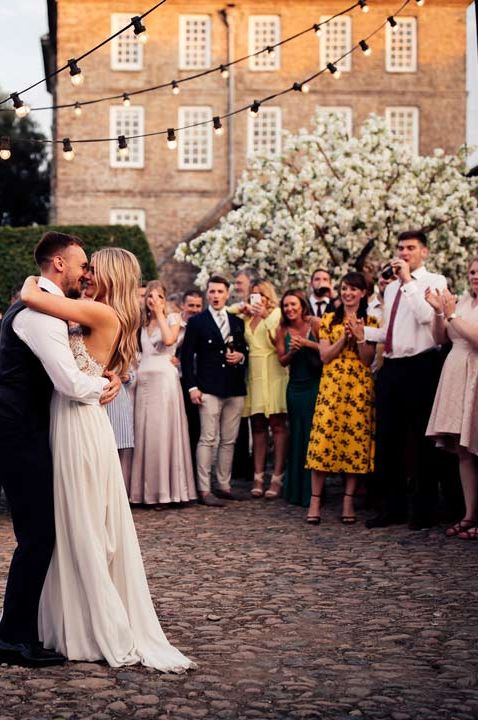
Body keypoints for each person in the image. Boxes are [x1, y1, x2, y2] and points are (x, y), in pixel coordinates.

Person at [19, 249, 195, 672]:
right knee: (76, 519)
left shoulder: (100, 312)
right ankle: (70, 619)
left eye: (94, 268)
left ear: (111, 275)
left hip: (80, 421)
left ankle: (88, 624)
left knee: (81, 519)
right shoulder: (105, 312)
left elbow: (32, 297)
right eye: (87, 266)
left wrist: (30, 280)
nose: (87, 273)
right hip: (75, 415)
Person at [0, 231, 123, 669]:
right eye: (81, 264)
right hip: (19, 435)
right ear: (58, 265)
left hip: (30, 432)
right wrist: (105, 386)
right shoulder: (39, 316)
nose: (85, 271)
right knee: (38, 536)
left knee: (41, 534)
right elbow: (68, 382)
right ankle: (13, 638)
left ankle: (24, 630)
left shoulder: (45, 308)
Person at [364, 230, 448, 530]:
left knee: (421, 440)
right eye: (400, 248)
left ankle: (424, 510)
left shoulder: (433, 281)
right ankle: (392, 507)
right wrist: (363, 332)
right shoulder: (389, 289)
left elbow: (428, 318)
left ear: (423, 252)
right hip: (393, 366)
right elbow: (389, 331)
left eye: (410, 248)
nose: (404, 253)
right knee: (388, 439)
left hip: (421, 365)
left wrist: (408, 282)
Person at [305, 272, 377, 524]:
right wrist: (343, 338)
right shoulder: (327, 320)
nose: (348, 293)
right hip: (332, 385)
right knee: (324, 438)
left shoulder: (372, 320)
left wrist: (359, 336)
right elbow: (325, 356)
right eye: (344, 288)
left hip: (358, 386)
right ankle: (315, 501)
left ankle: (348, 500)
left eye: (353, 289)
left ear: (363, 293)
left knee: (353, 440)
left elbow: (368, 359)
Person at [181, 275, 248, 507]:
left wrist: (240, 356)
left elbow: (243, 350)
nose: (216, 296)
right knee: (208, 438)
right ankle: (204, 489)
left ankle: (224, 485)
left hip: (234, 388)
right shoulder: (197, 322)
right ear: (207, 294)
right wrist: (192, 387)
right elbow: (187, 357)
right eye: (212, 292)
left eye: (220, 292)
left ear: (227, 294)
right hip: (208, 387)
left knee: (228, 440)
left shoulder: (237, 321)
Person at [130, 281, 197, 507]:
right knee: (144, 434)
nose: (153, 301)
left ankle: (166, 492)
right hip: (143, 381)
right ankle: (144, 492)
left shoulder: (173, 318)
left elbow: (169, 340)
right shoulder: (141, 323)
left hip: (164, 381)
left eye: (158, 296)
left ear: (165, 298)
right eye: (150, 297)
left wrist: (160, 313)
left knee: (162, 433)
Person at [425, 257, 478, 538]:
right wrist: (438, 313)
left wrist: (452, 315)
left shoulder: (458, 310)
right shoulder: (463, 302)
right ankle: (469, 515)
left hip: (476, 374)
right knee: (463, 450)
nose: (475, 276)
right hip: (457, 375)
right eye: (471, 272)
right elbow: (440, 339)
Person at [242, 280, 289, 499]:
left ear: (268, 296)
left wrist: (263, 316)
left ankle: (277, 476)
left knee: (278, 426)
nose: (256, 298)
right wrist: (245, 309)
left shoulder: (277, 314)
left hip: (274, 373)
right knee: (257, 425)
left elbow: (276, 341)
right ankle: (258, 476)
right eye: (252, 294)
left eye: (260, 294)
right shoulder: (247, 316)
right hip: (255, 375)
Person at [276, 290, 321, 507]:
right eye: (285, 306)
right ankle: (295, 489)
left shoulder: (316, 324)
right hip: (295, 388)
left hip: (315, 386)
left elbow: (327, 351)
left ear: (302, 305)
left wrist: (307, 343)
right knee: (296, 435)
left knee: (312, 436)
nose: (289, 309)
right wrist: (293, 351)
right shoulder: (282, 329)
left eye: (293, 304)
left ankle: (313, 491)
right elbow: (282, 361)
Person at [175, 289, 204, 483]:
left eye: (198, 306)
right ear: (183, 306)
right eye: (191, 305)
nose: (194, 309)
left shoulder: (203, 326)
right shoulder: (175, 326)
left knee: (195, 429)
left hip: (195, 382)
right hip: (176, 381)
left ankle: (193, 475)